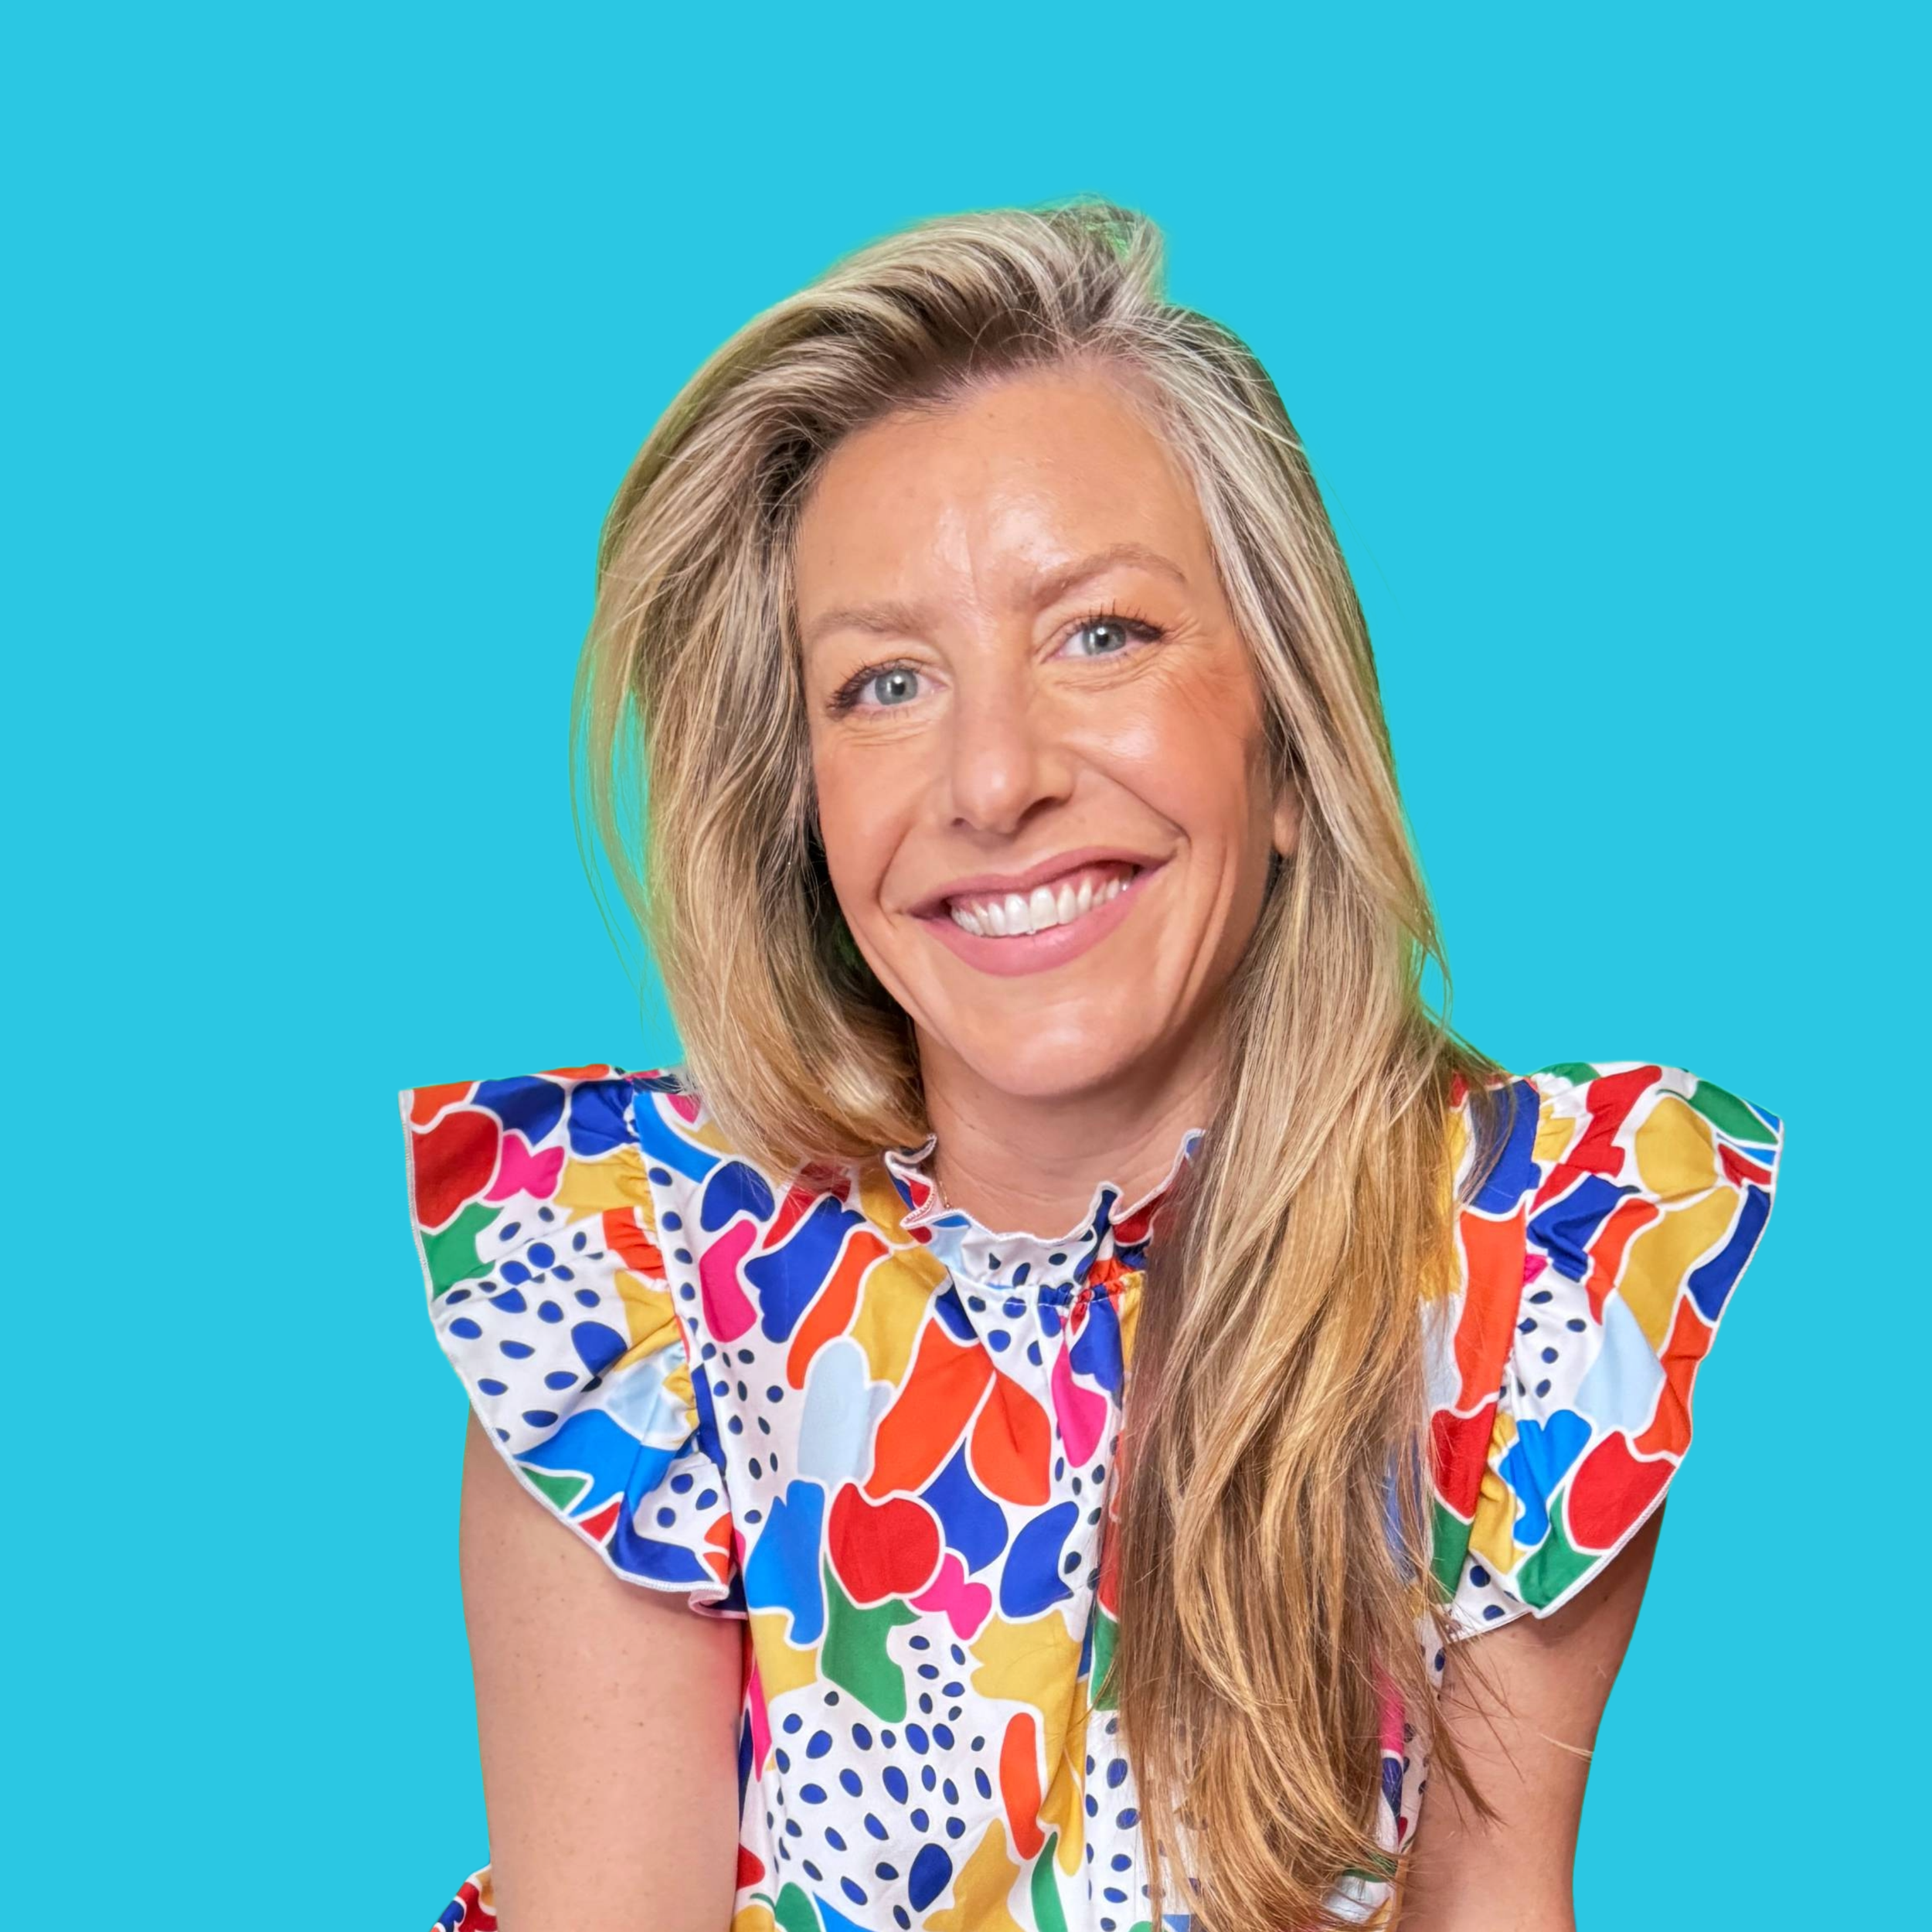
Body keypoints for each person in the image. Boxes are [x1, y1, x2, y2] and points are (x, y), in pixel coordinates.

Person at [398, 201, 1785, 1932]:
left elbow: (1486, 1902)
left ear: (1290, 745)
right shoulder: (637, 1281)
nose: (990, 780)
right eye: (885, 681)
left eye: (1099, 634)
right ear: (804, 814)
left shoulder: (1530, 1279)